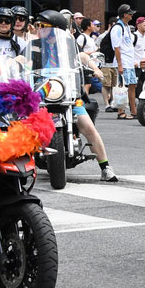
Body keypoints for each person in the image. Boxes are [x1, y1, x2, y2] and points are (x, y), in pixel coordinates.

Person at [33, 11, 119, 182]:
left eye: (42, 26)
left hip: (67, 95)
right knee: (21, 124)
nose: (39, 29)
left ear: (55, 28)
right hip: (41, 96)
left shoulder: (68, 44)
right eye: (38, 25)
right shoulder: (35, 45)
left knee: (89, 128)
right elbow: (24, 59)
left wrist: (95, 68)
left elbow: (82, 56)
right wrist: (15, 64)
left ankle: (105, 167)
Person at [110, 4, 137, 118]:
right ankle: (120, 112)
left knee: (132, 85)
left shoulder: (126, 27)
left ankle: (134, 111)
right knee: (121, 87)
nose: (132, 15)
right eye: (130, 13)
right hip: (123, 62)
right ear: (125, 15)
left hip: (129, 62)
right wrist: (120, 65)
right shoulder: (117, 28)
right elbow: (116, 48)